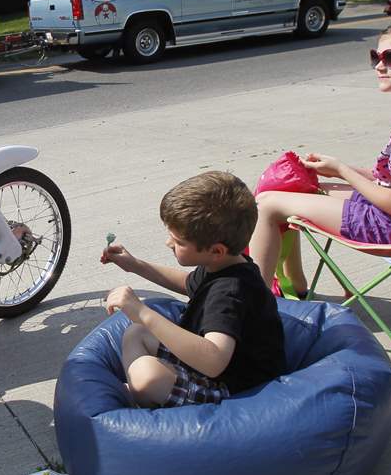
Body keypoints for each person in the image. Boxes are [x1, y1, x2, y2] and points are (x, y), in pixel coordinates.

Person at [248, 16, 391, 297]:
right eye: (376, 56)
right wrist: (336, 168)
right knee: (291, 187)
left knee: (267, 204)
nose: (380, 65)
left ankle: (254, 304)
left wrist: (343, 170)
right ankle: (294, 286)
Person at [100, 171, 286, 408]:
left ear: (216, 250)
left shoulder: (231, 292)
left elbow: (214, 360)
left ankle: (140, 395)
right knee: (137, 333)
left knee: (148, 374)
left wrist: (142, 312)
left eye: (179, 242)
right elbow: (188, 283)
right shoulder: (221, 265)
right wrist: (136, 266)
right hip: (210, 367)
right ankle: (140, 391)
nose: (169, 244)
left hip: (234, 388)